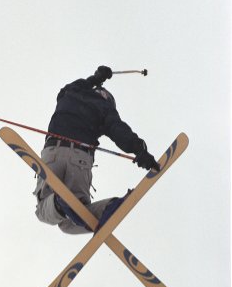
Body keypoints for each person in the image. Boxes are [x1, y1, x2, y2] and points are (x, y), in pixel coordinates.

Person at [33, 66, 160, 235]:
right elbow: (119, 130)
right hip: (80, 160)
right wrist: (140, 151)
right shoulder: (105, 109)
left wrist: (95, 78)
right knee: (76, 217)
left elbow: (64, 91)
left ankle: (59, 203)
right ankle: (108, 207)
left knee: (47, 211)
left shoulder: (72, 92)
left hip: (53, 153)